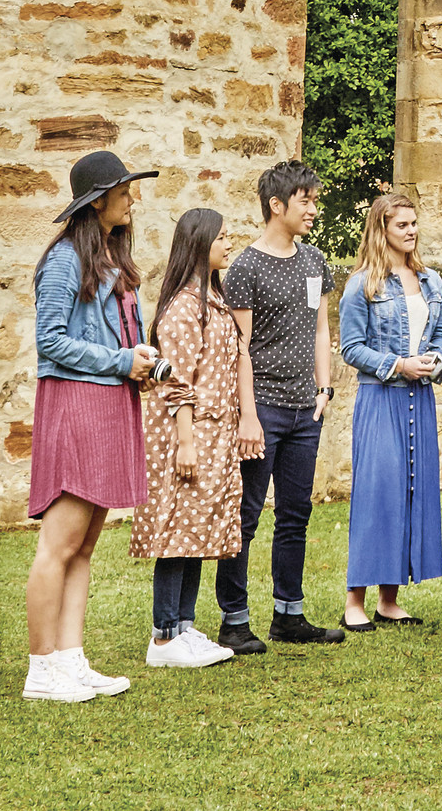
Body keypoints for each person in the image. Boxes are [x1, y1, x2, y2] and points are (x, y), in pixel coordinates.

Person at [23, 149, 162, 703]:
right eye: (124, 190)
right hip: (76, 408)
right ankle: (41, 670)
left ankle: (71, 659)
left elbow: (111, 338)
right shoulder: (62, 261)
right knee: (57, 547)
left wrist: (138, 361)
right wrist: (119, 362)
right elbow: (49, 341)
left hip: (108, 406)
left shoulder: (109, 259)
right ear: (98, 199)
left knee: (83, 549)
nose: (132, 198)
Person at [212, 160, 345, 652]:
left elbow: (321, 330)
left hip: (304, 410)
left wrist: (324, 389)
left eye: (314, 199)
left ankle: (289, 615)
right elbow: (239, 347)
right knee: (246, 516)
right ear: (277, 205)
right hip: (261, 408)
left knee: (296, 514)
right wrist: (247, 415)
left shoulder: (315, 260)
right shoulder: (245, 267)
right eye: (305, 200)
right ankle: (235, 620)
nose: (314, 208)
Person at [130, 206, 261, 669]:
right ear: (198, 243)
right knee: (176, 531)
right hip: (189, 434)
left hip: (215, 435)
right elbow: (176, 381)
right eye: (222, 236)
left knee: (197, 531)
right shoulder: (184, 308)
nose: (229, 242)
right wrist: (186, 441)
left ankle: (184, 627)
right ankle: (164, 636)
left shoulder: (214, 301)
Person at [336, 187, 442, 626]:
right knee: (376, 494)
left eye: (414, 223)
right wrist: (398, 364)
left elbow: (439, 336)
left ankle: (388, 600)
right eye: (402, 225)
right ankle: (354, 603)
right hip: (380, 398)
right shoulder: (361, 284)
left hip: (419, 398)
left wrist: (434, 361)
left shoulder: (431, 281)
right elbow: (351, 347)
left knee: (410, 491)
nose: (411, 232)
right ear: (381, 229)